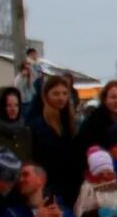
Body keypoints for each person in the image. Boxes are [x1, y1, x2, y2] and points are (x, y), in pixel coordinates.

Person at [28, 74, 84, 209]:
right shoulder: (38, 123)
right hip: (50, 188)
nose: (61, 98)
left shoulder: (72, 122)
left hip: (72, 185)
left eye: (65, 93)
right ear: (46, 96)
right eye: (56, 94)